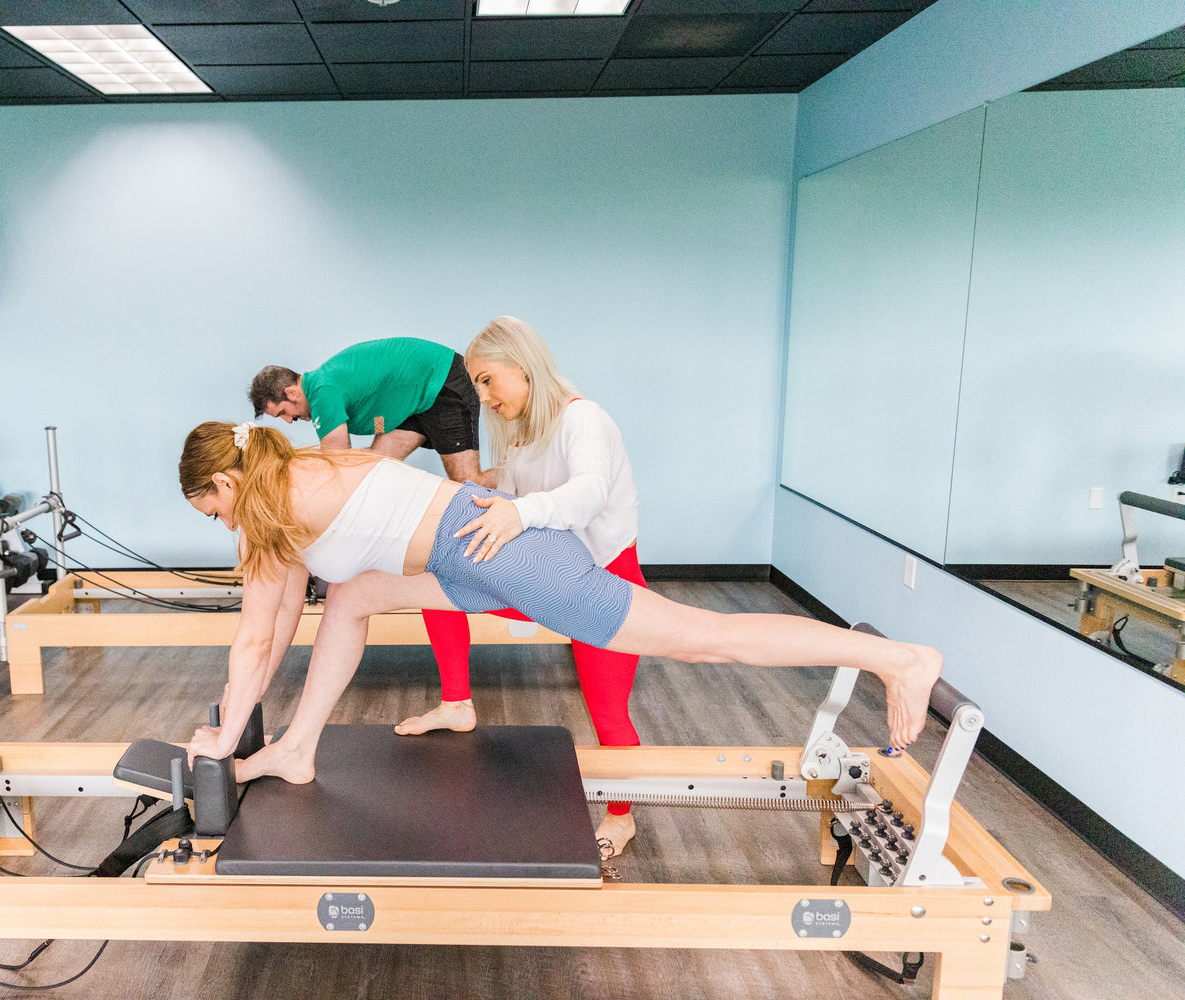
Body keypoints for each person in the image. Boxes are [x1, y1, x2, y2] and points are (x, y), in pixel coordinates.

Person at [178, 423, 944, 807]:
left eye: (211, 507)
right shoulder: (304, 467)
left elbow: (257, 636)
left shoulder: (271, 510)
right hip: (469, 548)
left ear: (226, 481)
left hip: (500, 555)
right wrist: (239, 727)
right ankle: (298, 750)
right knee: (350, 599)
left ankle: (897, 659)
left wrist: (218, 739)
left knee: (700, 641)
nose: (219, 523)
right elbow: (276, 626)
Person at [401, 316, 647, 859]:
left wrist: (518, 511)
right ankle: (456, 703)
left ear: (522, 366)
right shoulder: (525, 434)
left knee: (608, 713)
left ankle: (622, 818)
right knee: (434, 583)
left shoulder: (586, 420)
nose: (483, 397)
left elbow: (586, 494)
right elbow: (509, 491)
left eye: (488, 380)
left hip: (602, 579)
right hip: (544, 570)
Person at [248, 337, 487, 483]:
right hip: (411, 403)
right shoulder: (327, 387)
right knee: (374, 470)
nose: (289, 421)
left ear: (291, 393)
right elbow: (380, 417)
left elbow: (339, 464)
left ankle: (521, 479)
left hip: (439, 382)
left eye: (283, 413)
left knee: (468, 482)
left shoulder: (323, 393)